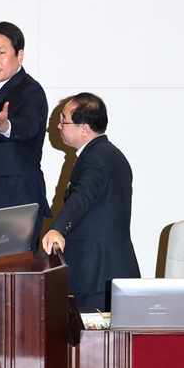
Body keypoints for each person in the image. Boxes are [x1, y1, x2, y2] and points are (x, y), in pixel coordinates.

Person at [42, 92, 140, 311]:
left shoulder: (96, 158)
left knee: (91, 343)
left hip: (96, 274)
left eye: (63, 121)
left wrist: (57, 229)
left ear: (84, 129)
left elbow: (81, 198)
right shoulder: (111, 154)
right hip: (110, 269)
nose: (58, 126)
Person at [0, 21, 51, 251]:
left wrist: (5, 125)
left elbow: (29, 125)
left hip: (14, 204)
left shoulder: (30, 89)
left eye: (1, 52)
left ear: (19, 55)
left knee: (13, 278)